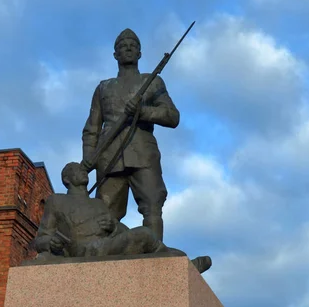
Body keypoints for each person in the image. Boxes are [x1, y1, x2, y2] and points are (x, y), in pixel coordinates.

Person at [82, 28, 179, 242]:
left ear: (139, 54)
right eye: (122, 46)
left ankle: (155, 254)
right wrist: (88, 158)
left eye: (132, 46)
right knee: (105, 214)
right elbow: (92, 128)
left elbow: (172, 116)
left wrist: (142, 111)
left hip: (143, 154)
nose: (127, 48)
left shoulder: (152, 82)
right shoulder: (103, 87)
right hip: (109, 155)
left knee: (152, 205)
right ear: (115, 54)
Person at [35, 162, 211, 274]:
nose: (82, 170)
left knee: (165, 249)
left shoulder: (98, 204)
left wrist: (114, 227)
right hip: (84, 250)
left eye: (82, 168)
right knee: (145, 235)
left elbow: (122, 232)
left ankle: (181, 264)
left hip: (105, 247)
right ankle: (182, 267)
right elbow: (41, 238)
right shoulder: (57, 201)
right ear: (67, 179)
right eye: (75, 169)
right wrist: (50, 243)